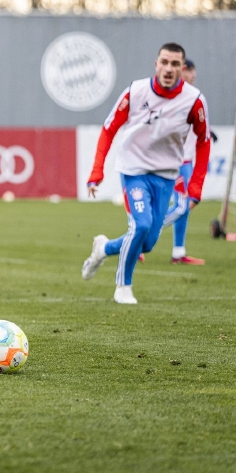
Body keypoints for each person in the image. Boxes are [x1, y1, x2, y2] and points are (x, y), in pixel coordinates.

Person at [81, 43, 211, 304]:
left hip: (166, 176)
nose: (169, 69)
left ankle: (103, 248)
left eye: (175, 64)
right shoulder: (135, 91)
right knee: (140, 225)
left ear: (182, 69)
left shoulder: (194, 100)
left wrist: (196, 186)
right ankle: (123, 287)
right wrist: (96, 171)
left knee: (147, 242)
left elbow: (203, 141)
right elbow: (108, 129)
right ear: (156, 64)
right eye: (165, 62)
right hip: (133, 171)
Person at [160, 58, 214, 265]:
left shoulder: (194, 97)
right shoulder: (172, 97)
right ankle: (139, 234)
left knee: (183, 207)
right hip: (175, 162)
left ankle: (178, 252)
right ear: (182, 71)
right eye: (190, 72)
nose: (193, 76)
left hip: (187, 161)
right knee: (182, 206)